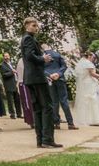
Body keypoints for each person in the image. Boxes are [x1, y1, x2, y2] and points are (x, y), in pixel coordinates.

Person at [20, 17, 62, 148]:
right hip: (37, 78)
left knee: (38, 109)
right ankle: (47, 139)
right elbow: (29, 55)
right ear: (26, 26)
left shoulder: (27, 38)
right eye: (33, 25)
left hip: (31, 78)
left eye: (37, 26)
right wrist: (43, 58)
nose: (36, 28)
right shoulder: (28, 38)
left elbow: (29, 55)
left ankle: (41, 140)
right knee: (47, 107)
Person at [43, 43, 77, 130]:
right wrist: (58, 73)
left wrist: (49, 75)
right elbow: (64, 66)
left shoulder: (42, 56)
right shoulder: (57, 54)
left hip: (49, 80)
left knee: (54, 102)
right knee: (64, 101)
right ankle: (70, 123)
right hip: (60, 79)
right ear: (49, 46)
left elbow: (41, 69)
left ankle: (56, 123)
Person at [72, 51, 99, 126]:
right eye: (93, 57)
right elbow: (92, 74)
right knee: (93, 100)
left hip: (85, 84)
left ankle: (87, 119)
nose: (94, 58)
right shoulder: (88, 63)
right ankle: (95, 120)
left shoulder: (82, 63)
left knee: (86, 101)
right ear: (89, 56)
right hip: (90, 84)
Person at [0, 52, 21, 119]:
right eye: (5, 56)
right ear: (3, 57)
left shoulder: (12, 64)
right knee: (10, 101)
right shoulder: (2, 65)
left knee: (17, 100)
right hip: (8, 85)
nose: (7, 57)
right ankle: (12, 114)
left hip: (16, 84)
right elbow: (4, 75)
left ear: (9, 56)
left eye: (8, 56)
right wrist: (12, 72)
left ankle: (19, 114)